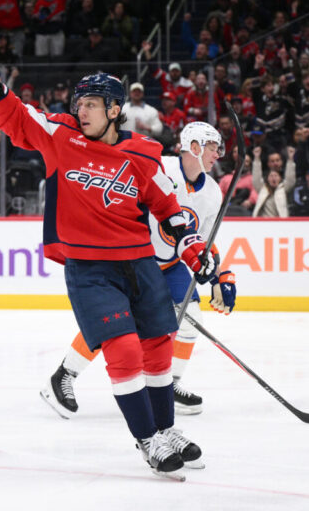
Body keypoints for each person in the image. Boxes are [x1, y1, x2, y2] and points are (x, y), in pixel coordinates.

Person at [0, 26, 216, 478]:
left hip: (140, 262)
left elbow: (168, 210)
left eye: (92, 103)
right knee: (124, 350)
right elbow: (13, 114)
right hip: (91, 269)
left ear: (114, 109)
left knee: (157, 346)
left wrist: (194, 251)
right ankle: (147, 439)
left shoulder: (144, 153)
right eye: (79, 103)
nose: (81, 110)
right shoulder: (60, 136)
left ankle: (166, 428)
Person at [41, 122, 237, 418]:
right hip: (134, 257)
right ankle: (63, 376)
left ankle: (170, 384)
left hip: (170, 265)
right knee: (114, 321)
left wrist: (219, 275)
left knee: (190, 319)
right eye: (212, 147)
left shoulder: (212, 193)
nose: (217, 155)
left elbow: (204, 241)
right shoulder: (161, 166)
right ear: (194, 147)